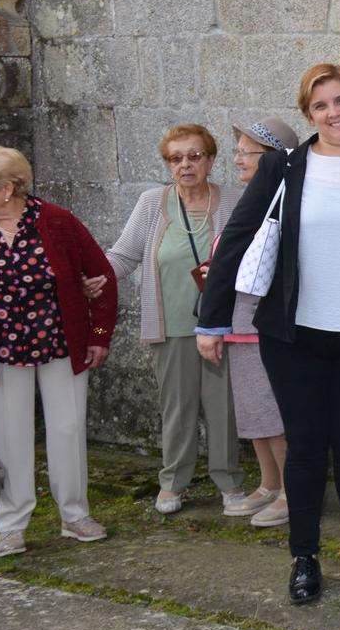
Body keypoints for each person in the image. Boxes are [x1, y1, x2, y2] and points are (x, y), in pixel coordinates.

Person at [198, 63, 340, 606]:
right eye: (320, 106)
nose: (333, 113)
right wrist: (212, 318)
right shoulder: (283, 167)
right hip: (293, 335)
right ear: (309, 115)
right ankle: (304, 557)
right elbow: (238, 238)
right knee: (306, 448)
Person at [0, 147, 117, 557]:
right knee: (9, 436)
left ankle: (74, 515)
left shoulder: (57, 221)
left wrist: (99, 335)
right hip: (1, 351)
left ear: (7, 189)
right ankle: (12, 524)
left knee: (68, 429)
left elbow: (101, 276)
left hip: (61, 344)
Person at [105, 124, 245, 515]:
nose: (186, 164)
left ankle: (230, 482)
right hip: (170, 327)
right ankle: (173, 484)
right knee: (177, 409)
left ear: (211, 160)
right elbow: (124, 255)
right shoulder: (153, 203)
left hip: (223, 328)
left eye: (195, 156)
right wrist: (92, 278)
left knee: (224, 410)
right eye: (176, 158)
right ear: (168, 164)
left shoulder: (234, 200)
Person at [221, 118, 300, 528]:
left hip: (263, 322)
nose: (236, 158)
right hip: (239, 320)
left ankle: (292, 489)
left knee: (273, 412)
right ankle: (269, 483)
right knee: (252, 412)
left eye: (245, 151)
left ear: (271, 158)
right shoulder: (247, 197)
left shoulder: (285, 199)